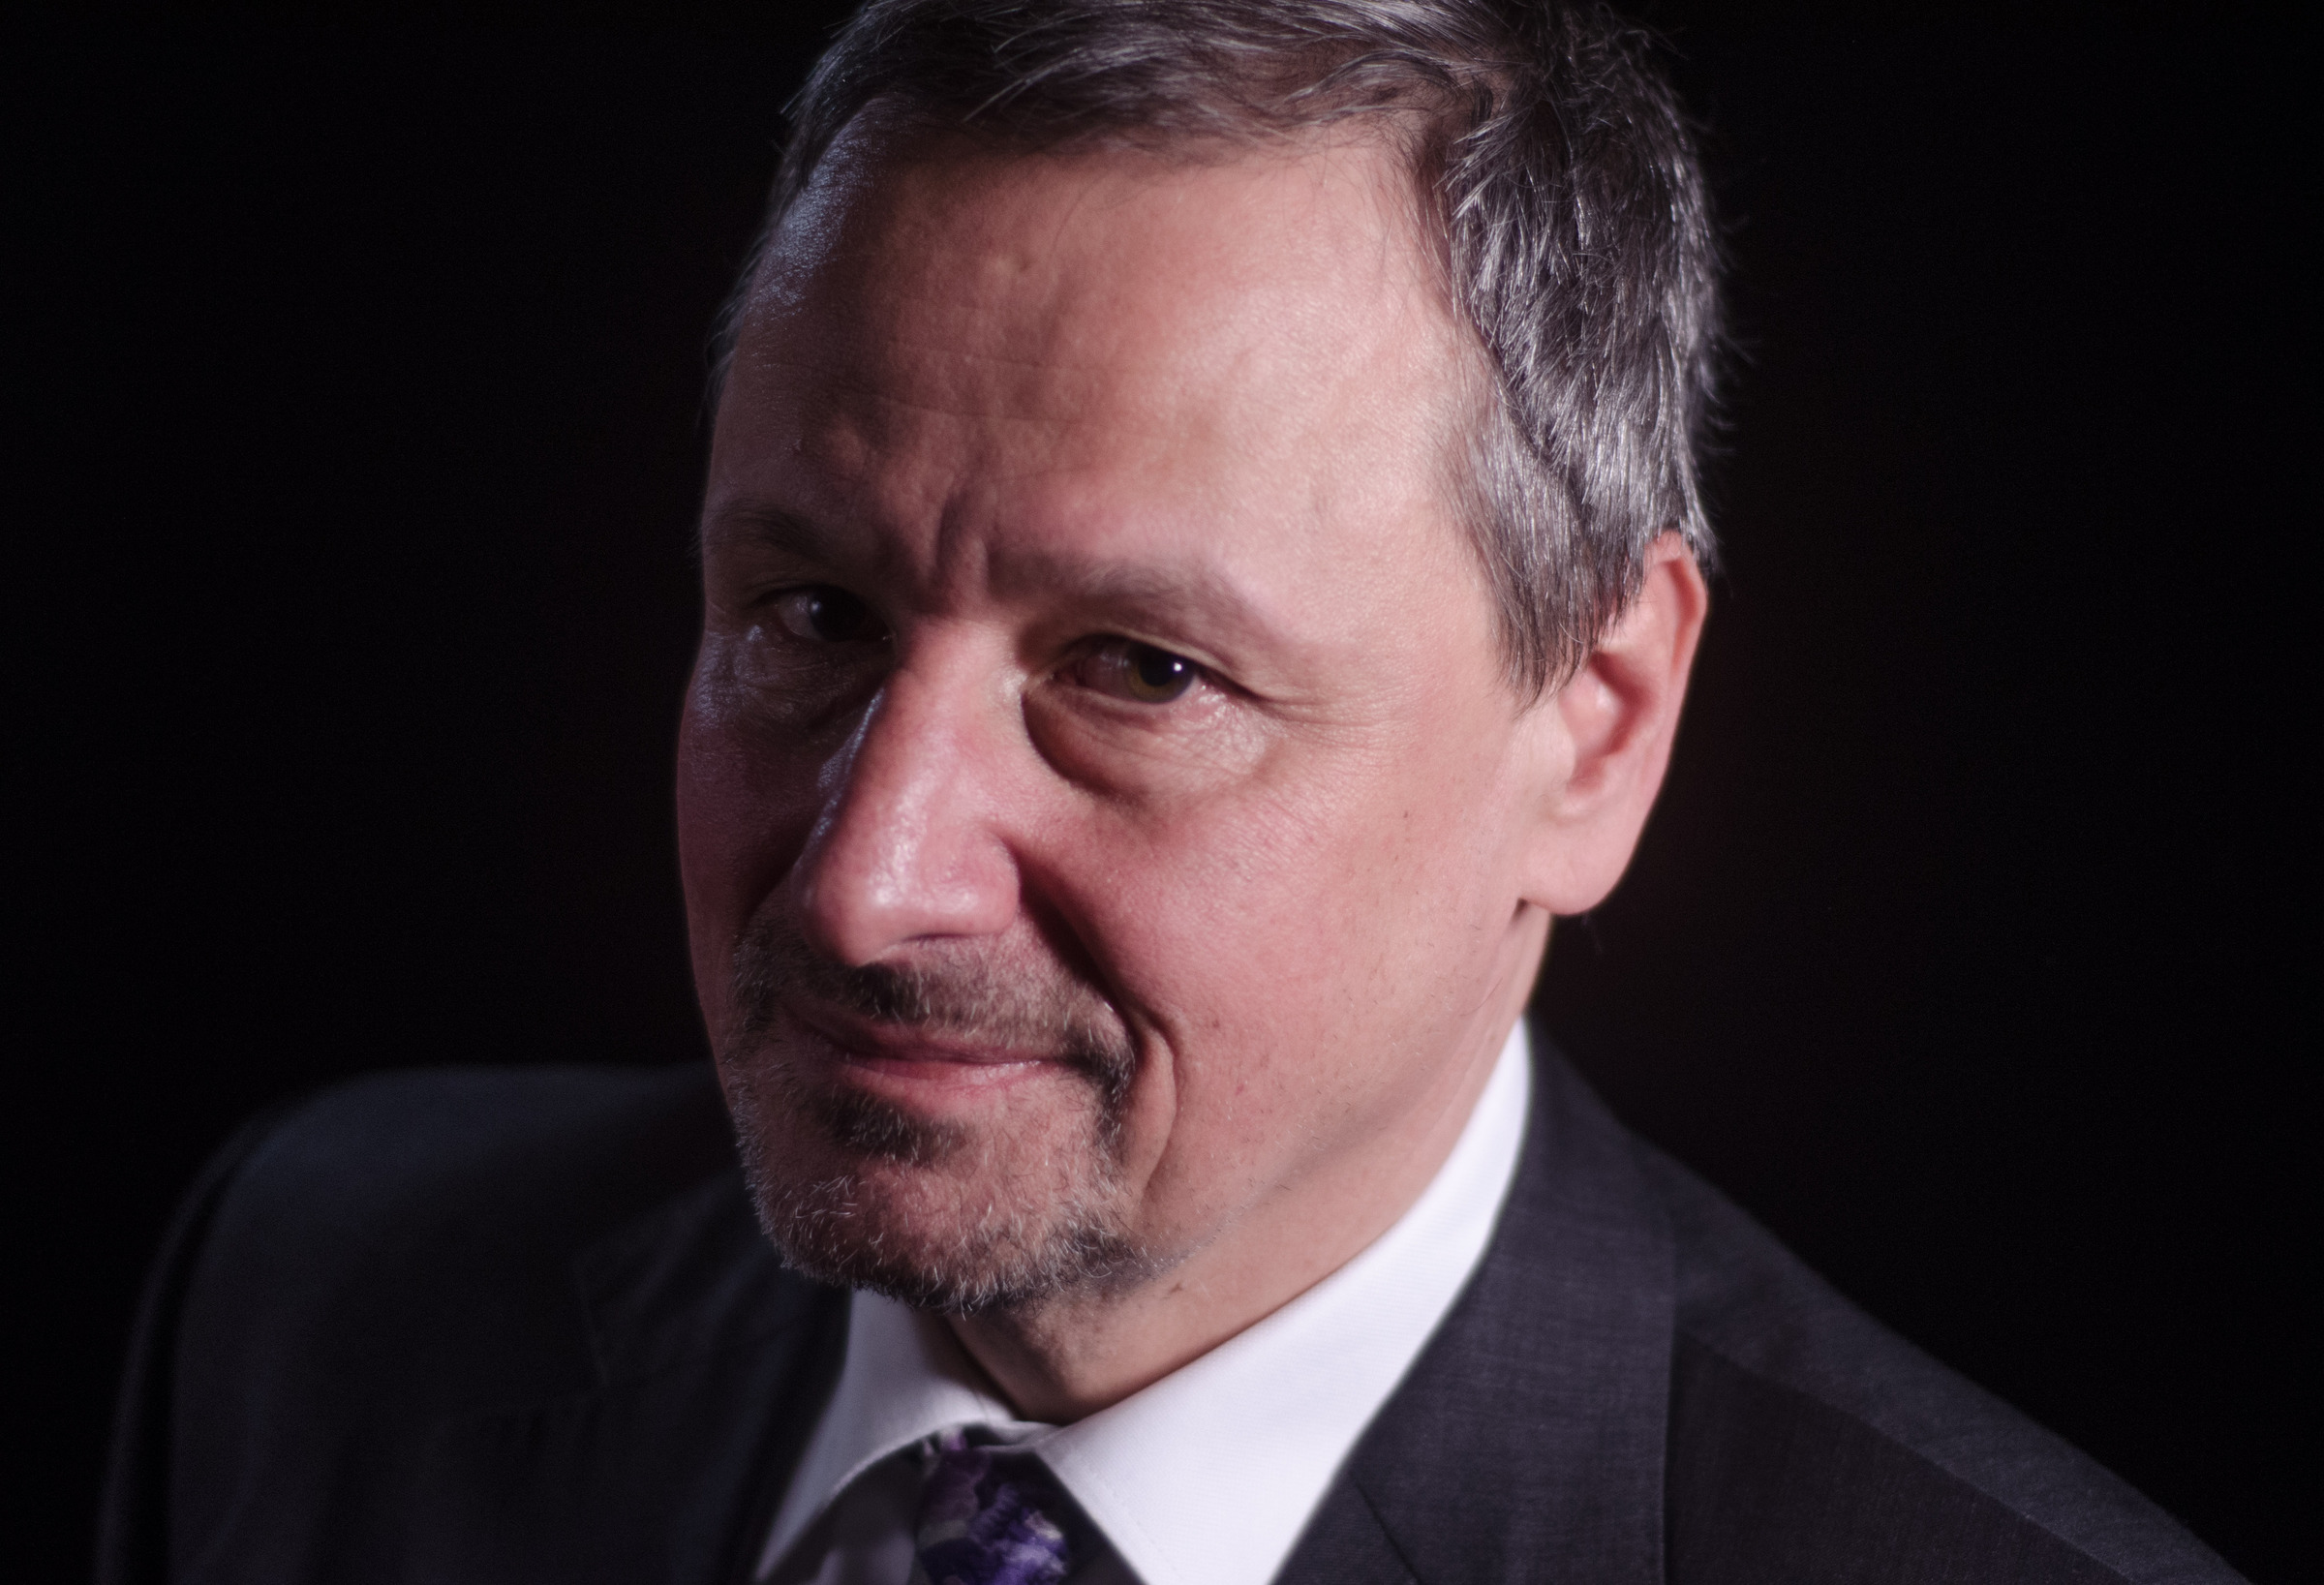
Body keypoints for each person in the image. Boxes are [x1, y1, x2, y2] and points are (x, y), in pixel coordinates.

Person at [99, 3, 2241, 1582]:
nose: (865, 885)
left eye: (1141, 671)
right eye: (813, 614)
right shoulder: (315, 1301)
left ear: (1594, 729)